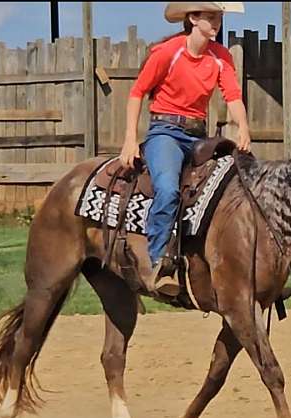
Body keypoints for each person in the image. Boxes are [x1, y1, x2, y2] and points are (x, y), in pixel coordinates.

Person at [119, 2, 251, 296]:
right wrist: (130, 139)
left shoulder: (220, 56)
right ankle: (158, 264)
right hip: (165, 131)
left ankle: (246, 270)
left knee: (240, 186)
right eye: (211, 17)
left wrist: (242, 126)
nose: (217, 23)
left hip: (200, 136)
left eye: (219, 17)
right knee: (168, 188)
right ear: (193, 18)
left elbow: (232, 95)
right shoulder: (169, 52)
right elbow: (137, 92)